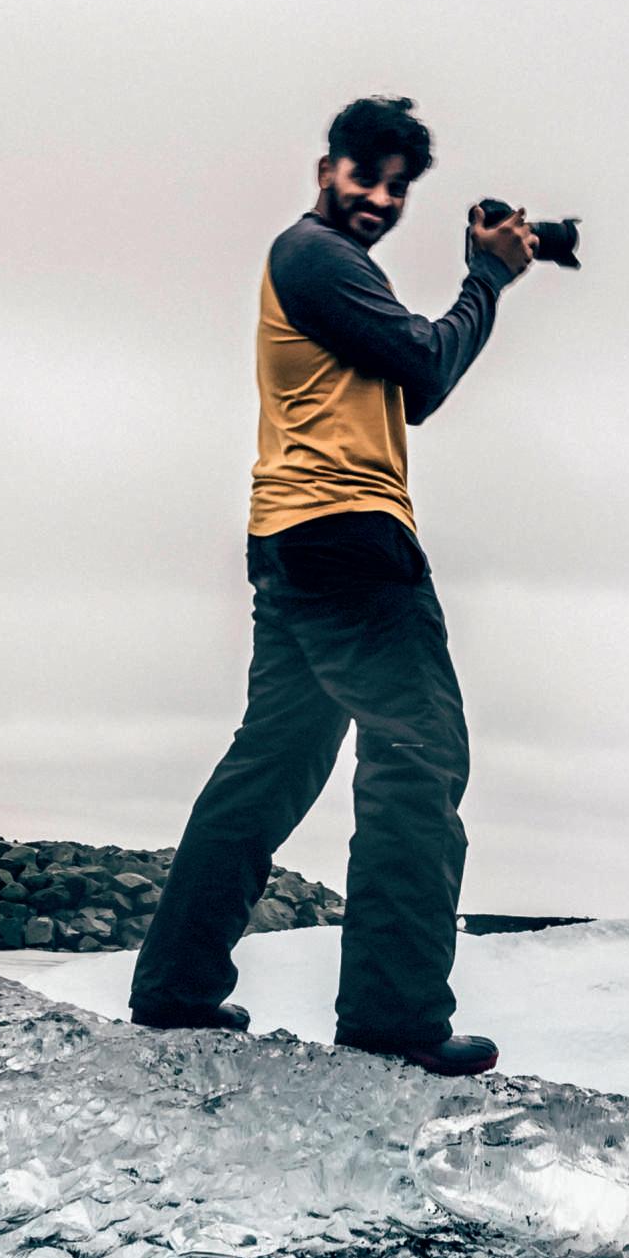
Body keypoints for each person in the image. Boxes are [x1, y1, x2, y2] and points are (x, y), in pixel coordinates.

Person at [129, 93, 542, 1075]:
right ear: (326, 170)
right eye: (366, 176)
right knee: (419, 757)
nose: (380, 199)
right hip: (351, 539)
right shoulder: (316, 256)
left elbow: (409, 382)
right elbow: (426, 370)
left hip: (291, 541)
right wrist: (486, 278)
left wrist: (481, 280)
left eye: (398, 188)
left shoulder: (332, 269)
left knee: (272, 762)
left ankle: (176, 986)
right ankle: (393, 1018)